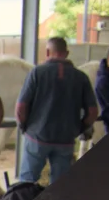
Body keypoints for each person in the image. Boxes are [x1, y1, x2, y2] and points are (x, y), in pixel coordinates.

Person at [14, 37, 96, 186]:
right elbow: (92, 111)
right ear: (67, 53)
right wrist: (79, 128)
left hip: (37, 137)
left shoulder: (37, 73)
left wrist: (24, 127)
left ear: (47, 52)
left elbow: (21, 107)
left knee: (26, 182)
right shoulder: (81, 77)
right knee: (60, 186)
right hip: (65, 140)